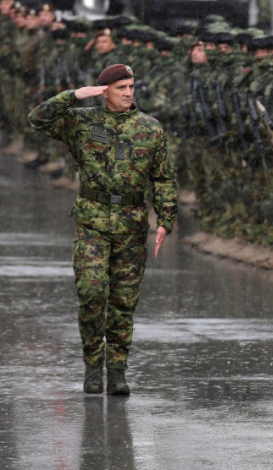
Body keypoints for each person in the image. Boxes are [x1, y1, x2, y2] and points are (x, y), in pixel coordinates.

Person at [27, 64, 178, 396]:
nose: (128, 93)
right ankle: (93, 366)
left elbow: (163, 177)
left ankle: (117, 371)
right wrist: (74, 96)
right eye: (121, 87)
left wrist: (166, 219)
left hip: (131, 224)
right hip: (92, 222)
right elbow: (37, 119)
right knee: (92, 295)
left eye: (131, 87)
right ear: (104, 91)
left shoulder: (149, 128)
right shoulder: (83, 121)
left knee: (124, 303)